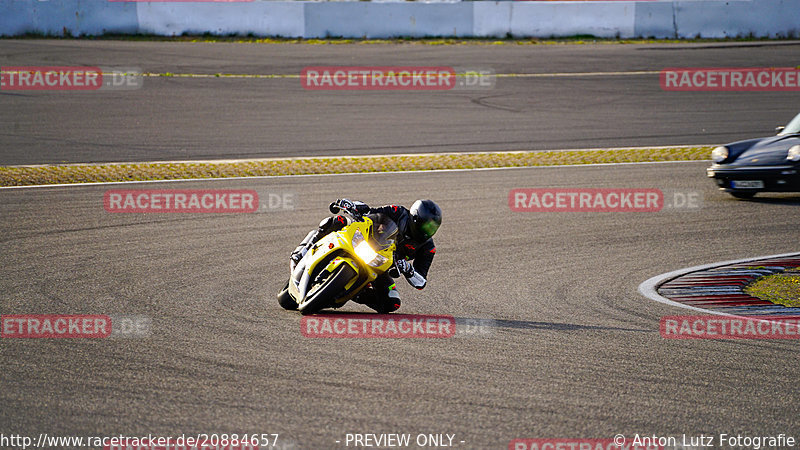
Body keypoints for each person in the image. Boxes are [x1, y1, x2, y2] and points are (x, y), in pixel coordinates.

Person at [291, 199, 442, 313]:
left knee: (392, 302)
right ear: (416, 219)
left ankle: (353, 294)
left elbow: (421, 282)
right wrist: (353, 206)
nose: (429, 231)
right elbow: (372, 212)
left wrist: (408, 270)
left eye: (433, 227)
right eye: (427, 225)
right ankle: (303, 251)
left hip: (381, 267)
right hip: (365, 244)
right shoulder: (398, 212)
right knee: (338, 221)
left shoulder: (428, 248)